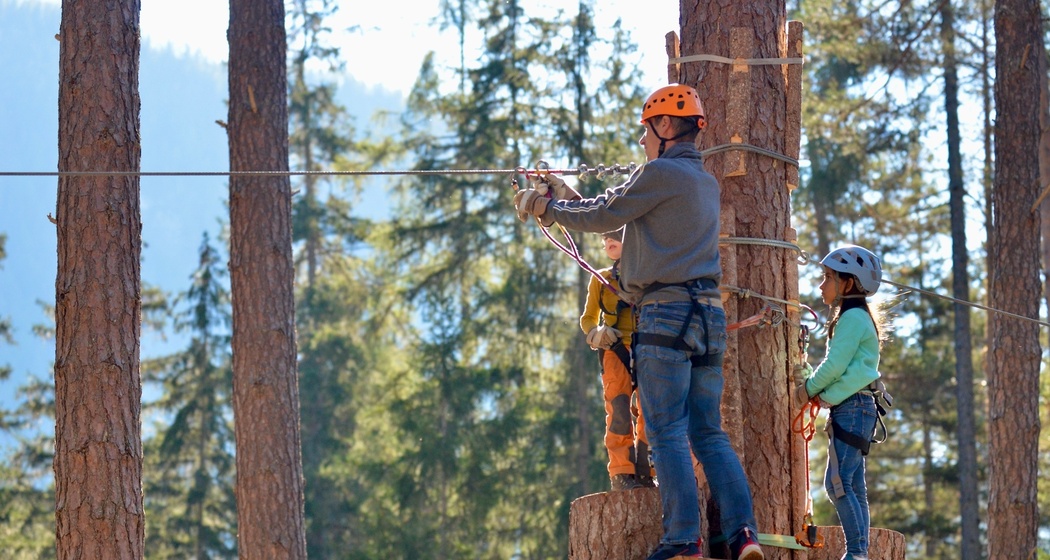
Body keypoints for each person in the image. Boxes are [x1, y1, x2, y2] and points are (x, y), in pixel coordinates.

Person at [513, 83, 763, 560]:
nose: (643, 141)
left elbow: (610, 210)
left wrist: (547, 207)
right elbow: (621, 217)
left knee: (667, 431)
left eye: (646, 131)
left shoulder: (658, 173)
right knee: (708, 433)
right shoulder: (701, 183)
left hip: (665, 315)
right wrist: (566, 198)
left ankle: (682, 542)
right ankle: (743, 535)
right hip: (707, 317)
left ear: (666, 126)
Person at [794, 244, 887, 560]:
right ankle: (859, 552)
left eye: (828, 277)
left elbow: (834, 367)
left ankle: (857, 553)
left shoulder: (852, 318)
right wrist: (813, 383)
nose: (822, 285)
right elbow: (844, 369)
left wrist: (805, 391)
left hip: (852, 408)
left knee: (838, 486)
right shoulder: (858, 319)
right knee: (852, 486)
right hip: (858, 408)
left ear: (848, 283)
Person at [580, 228, 655, 492]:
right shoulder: (601, 279)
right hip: (614, 348)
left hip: (648, 347)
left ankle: (647, 471)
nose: (609, 241)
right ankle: (622, 472)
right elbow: (587, 318)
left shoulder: (649, 274)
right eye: (606, 239)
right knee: (619, 408)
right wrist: (595, 333)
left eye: (615, 236)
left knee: (651, 410)